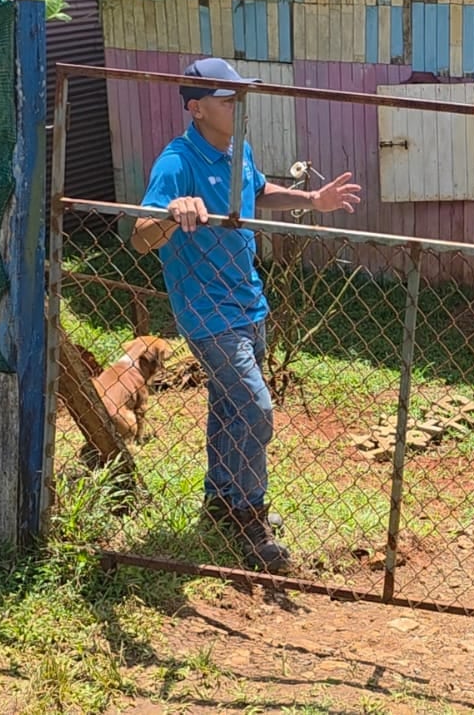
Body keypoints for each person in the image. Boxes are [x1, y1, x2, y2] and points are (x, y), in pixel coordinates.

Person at [131, 57, 362, 573]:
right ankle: (251, 516)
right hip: (206, 313)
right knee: (256, 409)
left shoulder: (239, 151)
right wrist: (172, 214)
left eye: (241, 95)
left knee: (228, 406)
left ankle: (219, 497)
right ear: (196, 108)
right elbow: (141, 238)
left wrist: (312, 200)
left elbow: (256, 191)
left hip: (248, 301)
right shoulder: (176, 163)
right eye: (227, 97)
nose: (239, 105)